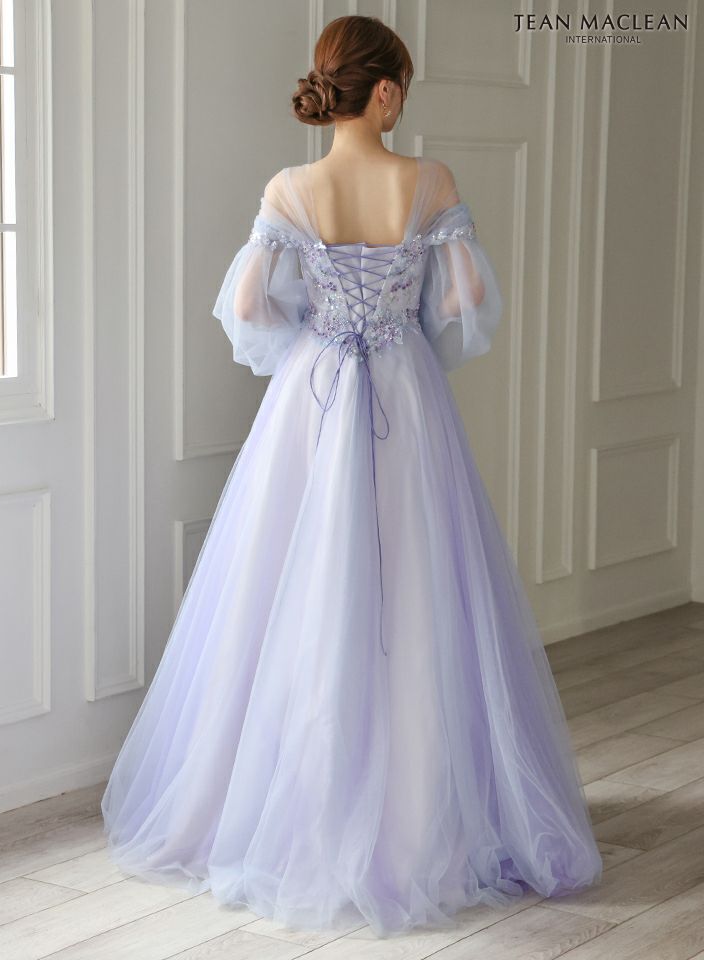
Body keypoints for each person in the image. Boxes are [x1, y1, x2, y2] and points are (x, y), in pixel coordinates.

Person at [101, 14, 602, 940]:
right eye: (403, 85)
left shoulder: (290, 189)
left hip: (315, 392)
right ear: (386, 90)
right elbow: (468, 297)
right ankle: (419, 814)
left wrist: (319, 329)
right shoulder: (428, 181)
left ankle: (280, 803)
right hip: (403, 396)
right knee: (414, 586)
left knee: (290, 583)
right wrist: (405, 319)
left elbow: (247, 303)